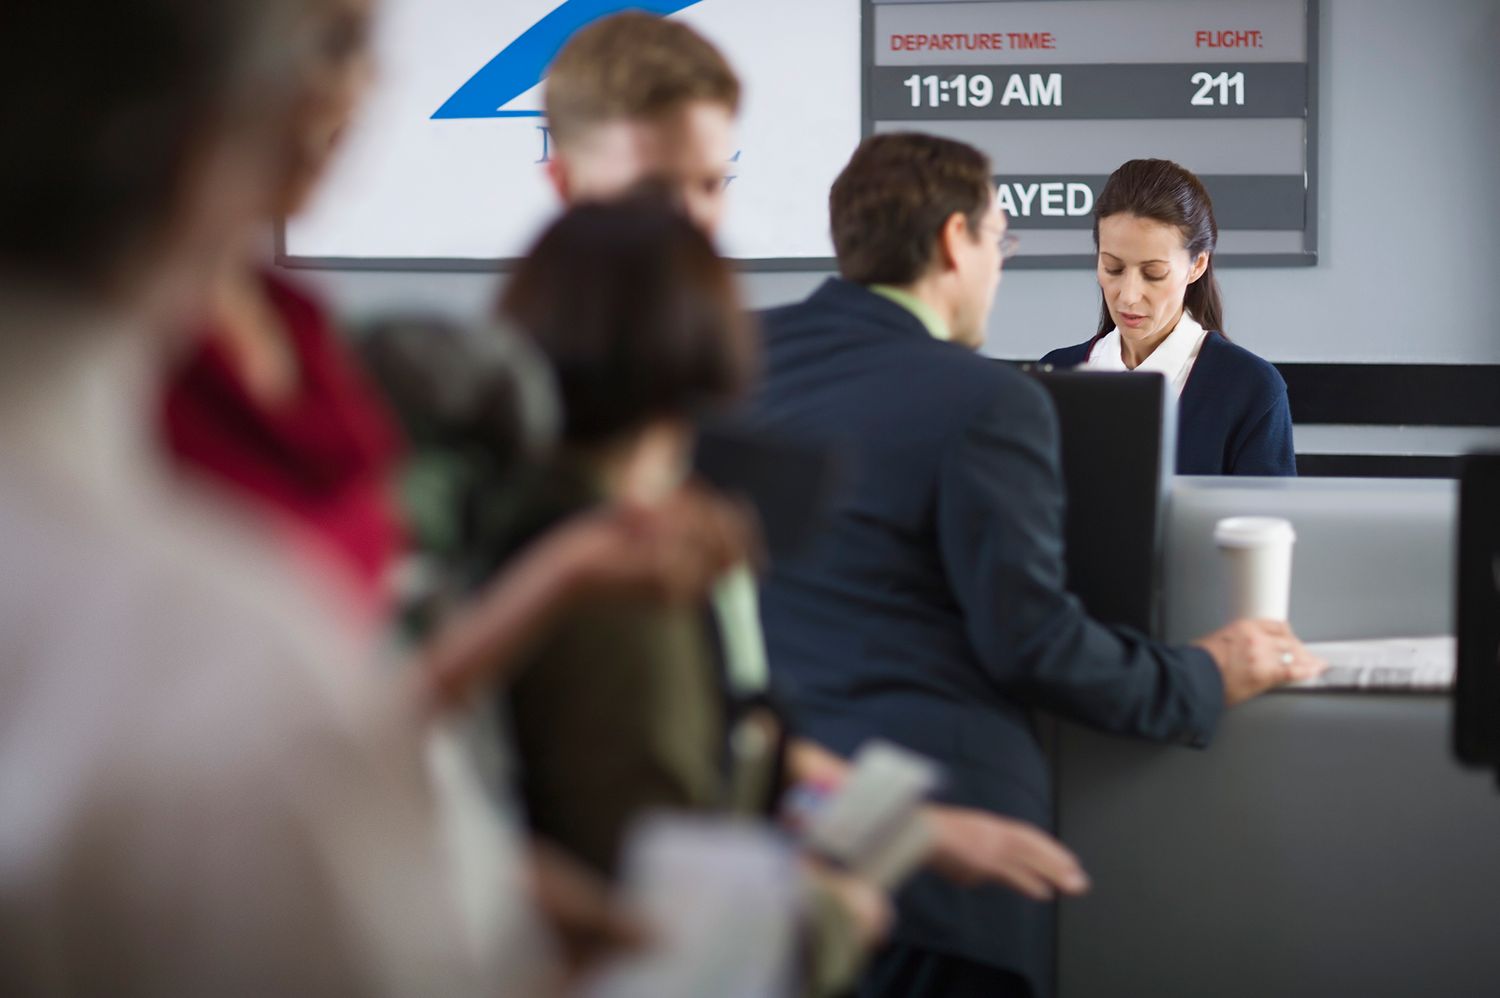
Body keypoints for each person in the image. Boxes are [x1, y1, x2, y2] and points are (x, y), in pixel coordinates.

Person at [0, 1, 745, 992]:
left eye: (358, 44)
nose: (340, 88)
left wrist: (477, 875)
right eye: (317, 42)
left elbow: (358, 702)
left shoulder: (316, 352)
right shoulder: (151, 408)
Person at [534, 9, 1094, 904]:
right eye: (652, 188)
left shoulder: (698, 410)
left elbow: (739, 722)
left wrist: (913, 834)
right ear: (563, 183)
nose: (689, 222)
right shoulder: (502, 413)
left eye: (709, 184)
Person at [747, 133, 1326, 998]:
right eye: (1000, 241)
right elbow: (1030, 638)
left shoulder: (739, 357)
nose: (1127, 291)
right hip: (944, 862)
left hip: (762, 824)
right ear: (956, 242)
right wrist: (1203, 678)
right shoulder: (992, 398)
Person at [1040, 159, 1297, 476]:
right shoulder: (1055, 375)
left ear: (1197, 265)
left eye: (1153, 273)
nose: (1128, 295)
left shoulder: (1251, 389)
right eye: (1113, 268)